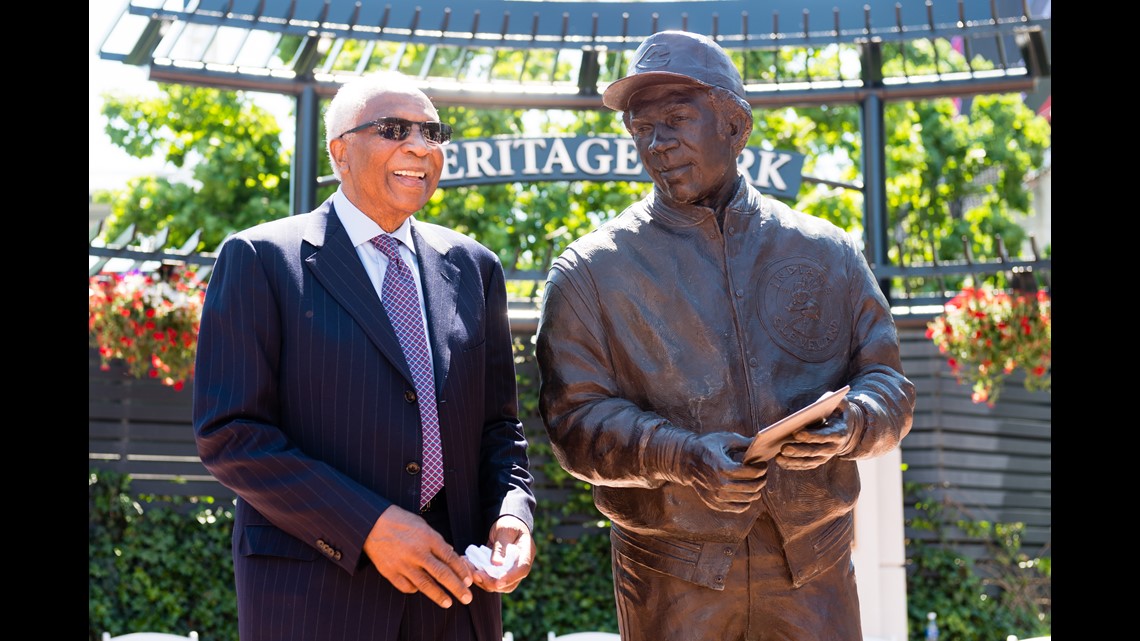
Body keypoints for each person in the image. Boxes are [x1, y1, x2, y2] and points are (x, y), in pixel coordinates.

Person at [535, 30, 916, 641]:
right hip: (672, 579)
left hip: (812, 569)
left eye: (677, 121)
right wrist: (679, 455)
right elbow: (573, 423)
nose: (657, 144)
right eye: (641, 129)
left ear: (735, 126)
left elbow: (888, 383)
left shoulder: (830, 252)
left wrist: (853, 424)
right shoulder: (591, 271)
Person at [193, 71, 536, 641]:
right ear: (339, 151)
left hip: (454, 596)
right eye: (394, 129)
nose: (420, 145)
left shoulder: (475, 268)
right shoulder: (260, 259)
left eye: (432, 132)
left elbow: (500, 428)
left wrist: (512, 514)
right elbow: (231, 434)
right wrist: (370, 525)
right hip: (316, 599)